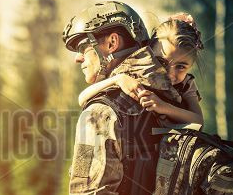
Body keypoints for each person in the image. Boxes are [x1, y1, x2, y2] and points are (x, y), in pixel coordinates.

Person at [56, 1, 180, 195]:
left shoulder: (101, 112)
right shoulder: (170, 99)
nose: (78, 59)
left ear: (111, 42)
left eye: (82, 47)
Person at [77, 12, 205, 127]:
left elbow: (198, 121)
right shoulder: (136, 73)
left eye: (181, 67)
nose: (170, 74)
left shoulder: (186, 85)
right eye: (161, 62)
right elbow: (82, 98)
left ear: (191, 65)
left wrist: (163, 107)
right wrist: (117, 79)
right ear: (147, 53)